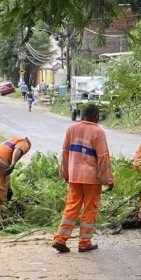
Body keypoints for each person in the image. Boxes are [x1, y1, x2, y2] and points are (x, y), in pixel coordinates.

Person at [53, 104, 114, 253]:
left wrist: (65, 174)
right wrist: (108, 180)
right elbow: (103, 157)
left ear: (82, 115)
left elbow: (65, 153)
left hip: (74, 176)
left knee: (71, 206)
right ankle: (84, 243)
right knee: (90, 209)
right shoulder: (98, 132)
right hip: (91, 178)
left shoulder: (71, 129)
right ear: (97, 117)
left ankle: (60, 238)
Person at [0, 136, 32, 219]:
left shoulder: (13, 139)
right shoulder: (25, 143)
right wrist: (13, 164)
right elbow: (18, 149)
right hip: (0, 161)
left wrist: (9, 189)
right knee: (0, 188)